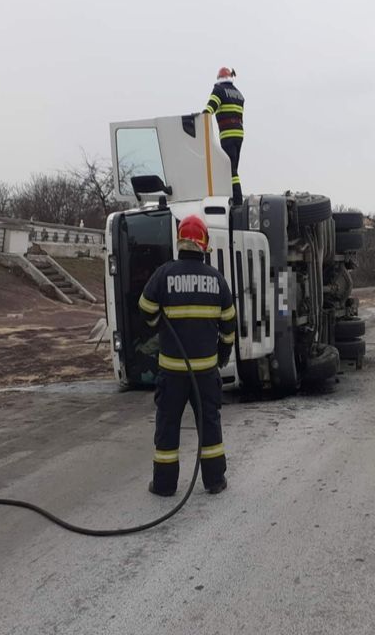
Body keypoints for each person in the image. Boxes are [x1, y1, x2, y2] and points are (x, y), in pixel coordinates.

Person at [138, 214, 237, 496]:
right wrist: (222, 355)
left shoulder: (164, 274)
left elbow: (145, 308)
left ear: (179, 241)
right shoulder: (217, 280)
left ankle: (165, 485)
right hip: (205, 373)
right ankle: (215, 481)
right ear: (204, 245)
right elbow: (229, 323)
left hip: (172, 372)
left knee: (168, 426)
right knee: (210, 425)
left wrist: (159, 323)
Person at [203, 67, 245, 206]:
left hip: (227, 134)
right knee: (233, 168)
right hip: (239, 134)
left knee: (230, 170)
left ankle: (237, 200)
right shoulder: (239, 94)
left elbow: (209, 109)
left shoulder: (219, 90)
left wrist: (198, 118)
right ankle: (235, 197)